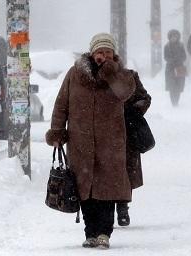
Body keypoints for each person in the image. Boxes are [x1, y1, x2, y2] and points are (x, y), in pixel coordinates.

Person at [45, 33, 135, 250]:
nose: (103, 55)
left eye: (107, 52)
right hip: (80, 142)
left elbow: (125, 93)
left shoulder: (121, 75)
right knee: (85, 190)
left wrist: (110, 72)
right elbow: (61, 104)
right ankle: (90, 233)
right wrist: (57, 131)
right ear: (92, 53)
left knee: (107, 189)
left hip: (110, 143)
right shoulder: (75, 74)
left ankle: (104, 232)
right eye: (99, 51)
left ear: (113, 54)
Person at [117, 72, 152, 227]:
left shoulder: (128, 76)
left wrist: (131, 112)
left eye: (108, 52)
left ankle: (123, 207)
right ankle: (106, 210)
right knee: (105, 171)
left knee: (126, 170)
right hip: (102, 132)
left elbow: (145, 99)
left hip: (127, 132)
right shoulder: (93, 78)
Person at [164, 29, 187, 106]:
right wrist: (172, 61)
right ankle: (173, 102)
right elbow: (165, 57)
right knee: (171, 86)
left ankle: (177, 100)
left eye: (175, 36)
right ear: (170, 37)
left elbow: (184, 56)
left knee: (179, 85)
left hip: (180, 67)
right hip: (170, 68)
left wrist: (179, 60)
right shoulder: (167, 46)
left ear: (178, 37)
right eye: (172, 37)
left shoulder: (181, 45)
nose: (174, 38)